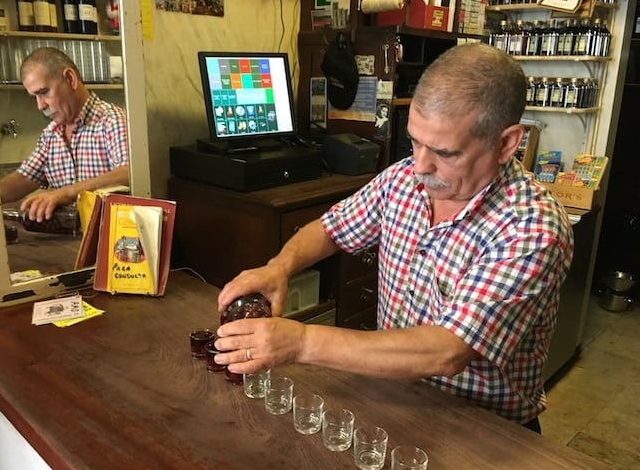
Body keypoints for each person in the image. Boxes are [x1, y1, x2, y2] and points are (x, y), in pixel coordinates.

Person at [215, 44, 574, 432]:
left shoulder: (533, 227)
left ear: (505, 144)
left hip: (484, 434)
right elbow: (331, 229)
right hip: (393, 401)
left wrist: (302, 342)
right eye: (415, 142)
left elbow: (448, 350)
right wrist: (279, 267)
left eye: (444, 152)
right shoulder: (403, 179)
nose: (420, 166)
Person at [0, 47, 129, 223]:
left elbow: (128, 173)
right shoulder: (51, 134)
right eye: (34, 97)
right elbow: (24, 177)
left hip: (109, 239)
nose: (40, 106)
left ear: (70, 79)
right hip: (68, 239)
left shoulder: (112, 121)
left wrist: (67, 193)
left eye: (44, 93)